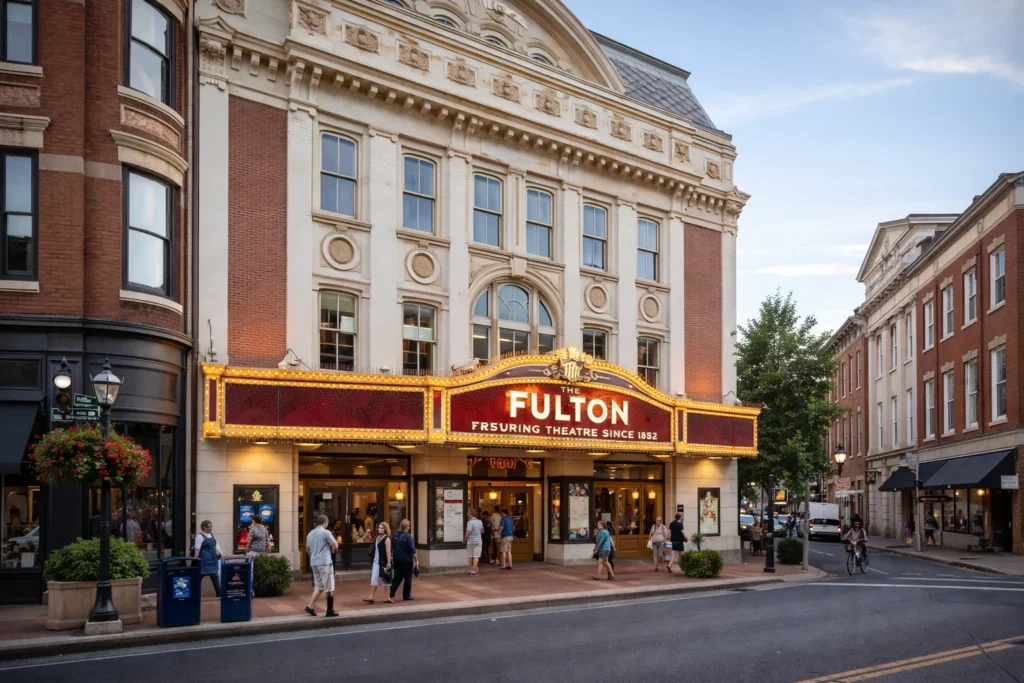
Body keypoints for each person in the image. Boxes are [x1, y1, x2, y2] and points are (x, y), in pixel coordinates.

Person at [305, 514, 339, 617]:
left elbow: (307, 549)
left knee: (318, 586)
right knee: (329, 587)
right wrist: (332, 549)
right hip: (325, 562)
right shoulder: (326, 532)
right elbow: (336, 545)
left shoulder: (310, 534)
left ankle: (310, 606)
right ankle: (329, 610)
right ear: (325, 523)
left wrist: (312, 557)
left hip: (314, 562)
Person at [388, 519, 418, 602]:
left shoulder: (395, 535)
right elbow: (413, 550)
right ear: (407, 527)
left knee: (397, 577)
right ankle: (406, 595)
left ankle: (391, 592)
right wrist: (416, 561)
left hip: (397, 559)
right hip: (407, 561)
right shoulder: (408, 537)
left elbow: (391, 546)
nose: (409, 527)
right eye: (409, 526)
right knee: (408, 579)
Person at [192, 520, 223, 599]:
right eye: (209, 526)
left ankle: (219, 594)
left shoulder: (212, 535)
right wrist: (195, 560)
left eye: (211, 526)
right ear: (204, 527)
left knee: (215, 576)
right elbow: (197, 549)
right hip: (203, 561)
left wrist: (219, 554)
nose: (211, 528)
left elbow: (216, 547)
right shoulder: (200, 536)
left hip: (213, 560)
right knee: (199, 577)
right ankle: (194, 595)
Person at [364, 522, 392, 603]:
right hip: (376, 561)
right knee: (374, 579)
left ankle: (388, 598)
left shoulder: (387, 539)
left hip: (383, 562)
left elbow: (388, 551)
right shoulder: (377, 538)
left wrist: (389, 562)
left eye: (381, 528)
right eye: (379, 527)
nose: (379, 529)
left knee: (386, 579)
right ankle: (371, 597)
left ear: (385, 529)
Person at [465, 508, 483, 576]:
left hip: (471, 541)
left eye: (468, 512)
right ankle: (476, 570)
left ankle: (472, 570)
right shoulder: (480, 521)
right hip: (478, 540)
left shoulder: (469, 522)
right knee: (476, 556)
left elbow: (468, 531)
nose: (467, 513)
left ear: (470, 514)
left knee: (470, 556)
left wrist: (465, 538)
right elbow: (482, 531)